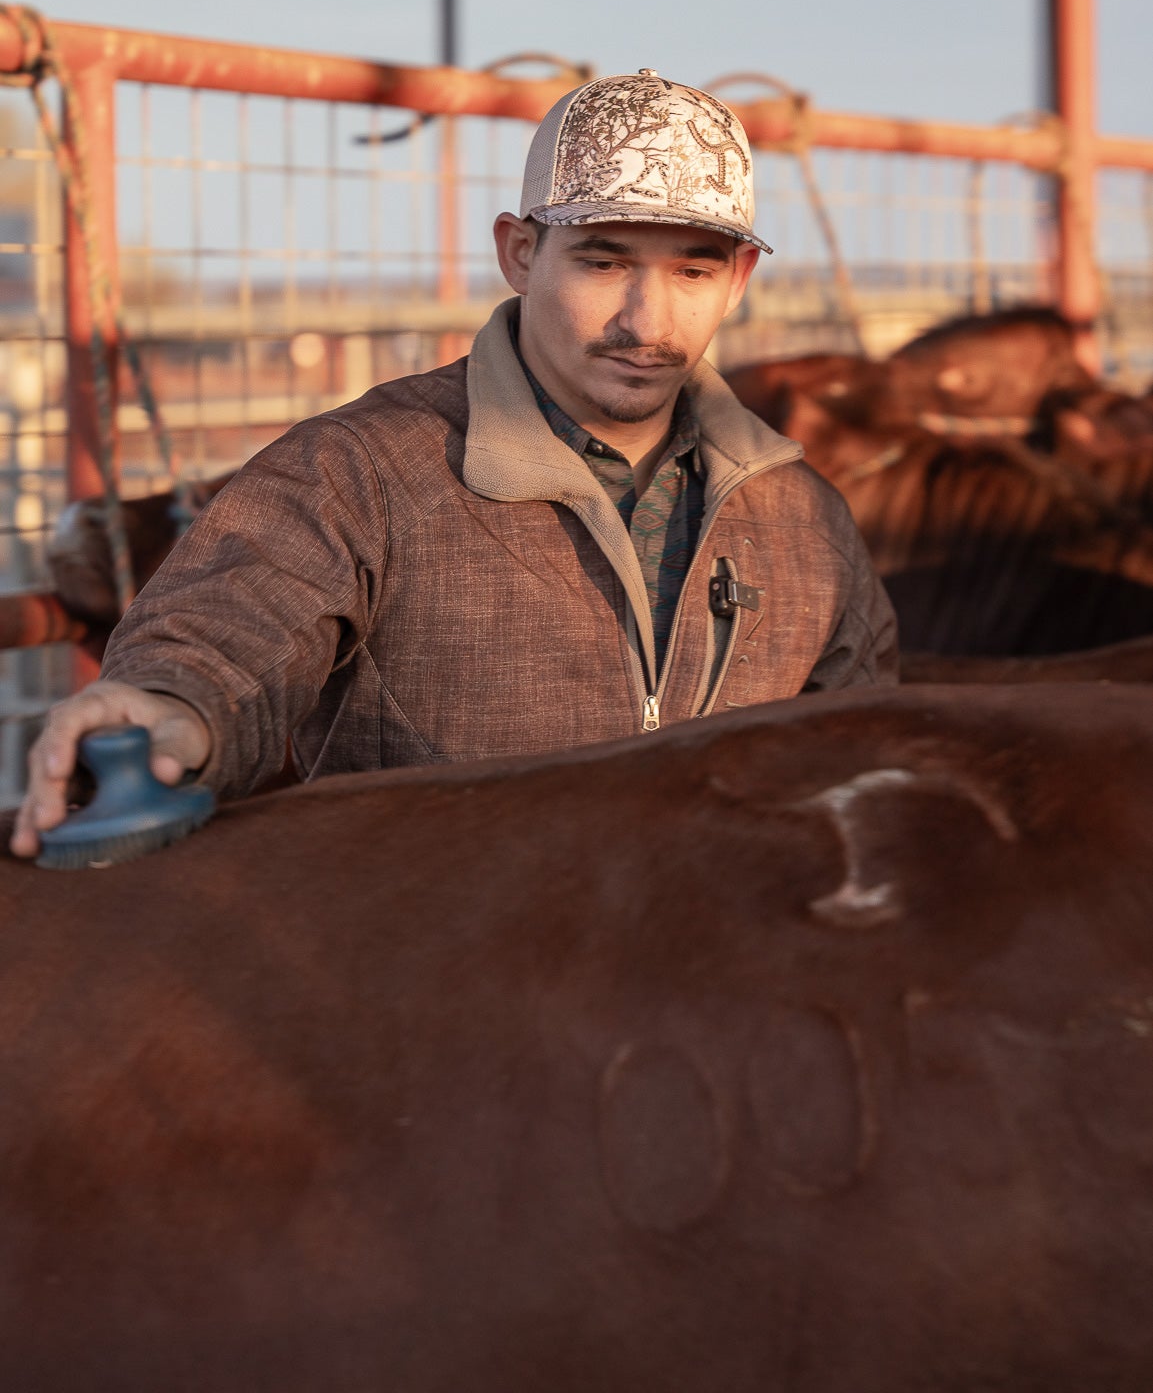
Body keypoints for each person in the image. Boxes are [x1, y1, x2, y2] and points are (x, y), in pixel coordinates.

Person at [12, 69, 896, 857]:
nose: (647, 321)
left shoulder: (798, 512)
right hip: (443, 1000)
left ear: (738, 278)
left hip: (711, 996)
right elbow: (230, 630)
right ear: (519, 252)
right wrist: (172, 710)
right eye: (603, 261)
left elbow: (863, 754)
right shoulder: (361, 467)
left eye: (692, 274)